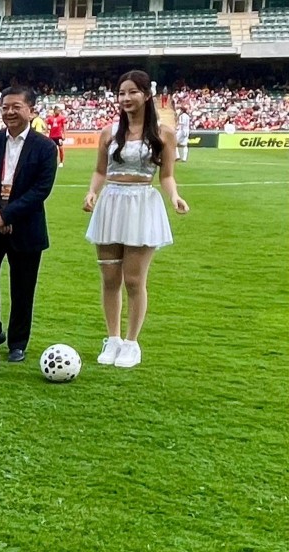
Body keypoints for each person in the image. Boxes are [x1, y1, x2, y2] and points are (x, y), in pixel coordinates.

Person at [83, 70, 190, 369]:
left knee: (133, 279)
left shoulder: (163, 133)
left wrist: (174, 197)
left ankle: (132, 342)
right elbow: (100, 171)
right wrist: (92, 192)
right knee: (109, 278)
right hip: (111, 203)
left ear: (146, 95)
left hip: (142, 203)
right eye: (121, 93)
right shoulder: (108, 133)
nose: (126, 98)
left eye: (132, 92)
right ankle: (113, 338)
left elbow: (167, 175)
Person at [0, 86, 58, 363]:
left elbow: (41, 189)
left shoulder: (45, 147)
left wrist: (8, 216)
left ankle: (18, 342)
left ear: (31, 111)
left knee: (22, 287)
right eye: (5, 106)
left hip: (25, 228)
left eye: (16, 106)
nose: (9, 112)